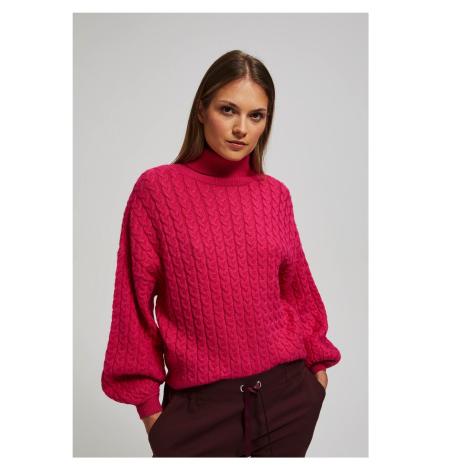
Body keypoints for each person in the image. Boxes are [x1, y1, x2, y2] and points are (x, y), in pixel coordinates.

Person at [101, 49, 341, 458]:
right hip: (199, 412)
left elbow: (297, 291)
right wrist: (151, 412)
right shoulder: (156, 191)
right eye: (228, 110)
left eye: (256, 116)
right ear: (201, 109)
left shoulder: (274, 195)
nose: (241, 128)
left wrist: (316, 374)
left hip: (287, 400)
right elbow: (133, 306)